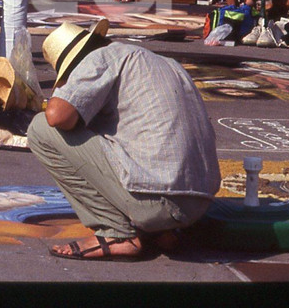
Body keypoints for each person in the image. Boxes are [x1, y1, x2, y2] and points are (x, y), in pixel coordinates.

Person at [27, 19, 220, 261]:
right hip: (199, 203)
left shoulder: (100, 58)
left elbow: (56, 115)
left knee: (41, 128)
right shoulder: (165, 63)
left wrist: (65, 88)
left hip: (160, 202)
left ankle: (116, 233)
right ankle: (161, 231)